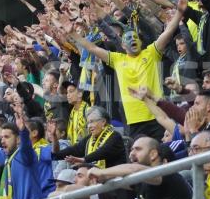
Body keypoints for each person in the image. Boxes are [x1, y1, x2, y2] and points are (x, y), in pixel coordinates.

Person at [69, 9, 182, 140]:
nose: (133, 39)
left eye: (135, 37)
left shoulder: (151, 53)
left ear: (140, 42)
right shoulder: (118, 59)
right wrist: (73, 34)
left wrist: (179, 11)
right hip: (134, 121)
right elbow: (92, 48)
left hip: (158, 116)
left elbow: (168, 32)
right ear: (123, 45)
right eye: (128, 38)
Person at [88, 136, 192, 199]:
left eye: (137, 149)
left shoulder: (166, 173)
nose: (131, 154)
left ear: (153, 154)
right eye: (131, 150)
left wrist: (102, 172)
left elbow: (133, 169)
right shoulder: (141, 181)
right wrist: (105, 178)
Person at [51, 106, 126, 170]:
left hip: (114, 181)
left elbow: (103, 151)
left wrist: (84, 160)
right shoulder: (89, 138)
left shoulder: (115, 136)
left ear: (103, 121)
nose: (89, 126)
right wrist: (54, 155)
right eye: (88, 123)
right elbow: (75, 149)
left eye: (92, 121)